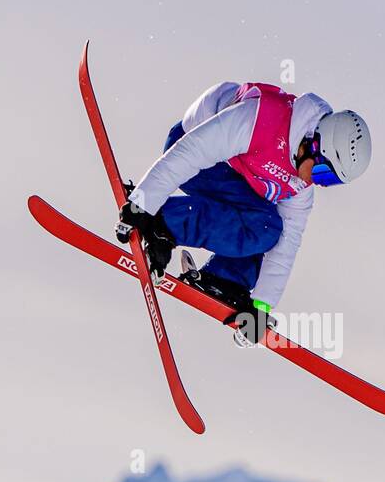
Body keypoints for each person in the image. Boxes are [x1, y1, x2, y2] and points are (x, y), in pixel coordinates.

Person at [117, 81, 371, 343]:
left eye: (330, 181)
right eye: (323, 173)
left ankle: (226, 279)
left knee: (268, 228)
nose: (317, 182)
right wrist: (144, 203)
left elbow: (288, 241)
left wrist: (261, 307)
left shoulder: (300, 185)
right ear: (314, 145)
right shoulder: (263, 119)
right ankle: (165, 224)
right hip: (195, 152)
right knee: (264, 222)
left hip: (239, 177)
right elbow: (194, 150)